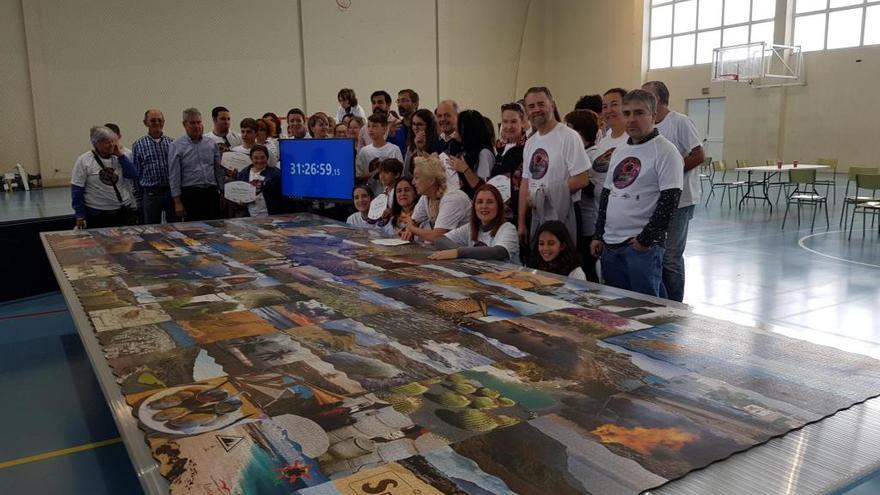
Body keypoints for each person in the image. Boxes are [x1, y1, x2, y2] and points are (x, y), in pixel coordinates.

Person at [590, 89, 684, 298]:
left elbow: (669, 201)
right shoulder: (620, 150)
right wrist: (599, 234)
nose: (631, 119)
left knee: (649, 309)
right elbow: (607, 194)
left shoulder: (666, 152)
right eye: (627, 113)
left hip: (640, 247)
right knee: (616, 304)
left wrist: (645, 240)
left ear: (653, 115)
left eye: (639, 113)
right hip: (611, 243)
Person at [642, 81, 705, 303]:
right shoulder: (649, 126)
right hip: (655, 201)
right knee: (655, 253)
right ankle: (660, 300)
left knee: (671, 257)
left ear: (658, 98)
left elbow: (698, 155)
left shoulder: (679, 122)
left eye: (646, 94)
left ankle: (675, 304)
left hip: (680, 200)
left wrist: (672, 174)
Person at [517, 86, 590, 245]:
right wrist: (521, 223)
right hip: (537, 214)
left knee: (563, 265)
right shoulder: (530, 142)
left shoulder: (569, 137)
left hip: (563, 212)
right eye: (531, 106)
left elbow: (582, 179)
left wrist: (542, 195)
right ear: (527, 112)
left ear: (552, 105)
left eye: (541, 104)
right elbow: (525, 183)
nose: (536, 109)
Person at [429, 184, 519, 262]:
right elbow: (440, 240)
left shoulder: (508, 228)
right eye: (480, 202)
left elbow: (499, 252)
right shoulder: (470, 228)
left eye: (490, 202)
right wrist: (459, 251)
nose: (484, 206)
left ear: (499, 206)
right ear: (474, 206)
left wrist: (458, 253)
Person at [71, 126, 139, 229]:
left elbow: (133, 174)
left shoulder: (120, 157)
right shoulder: (84, 160)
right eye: (107, 142)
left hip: (122, 211)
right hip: (97, 213)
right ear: (96, 144)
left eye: (112, 141)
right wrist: (80, 214)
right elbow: (77, 189)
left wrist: (120, 156)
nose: (111, 145)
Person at [564, 109, 601, 282]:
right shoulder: (579, 154)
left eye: (569, 129)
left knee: (587, 265)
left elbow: (593, 188)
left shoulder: (592, 155)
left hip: (587, 219)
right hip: (577, 214)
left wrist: (577, 179)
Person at [168, 108, 224, 221]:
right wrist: (177, 202)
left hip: (211, 193)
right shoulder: (176, 145)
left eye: (199, 122)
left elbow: (218, 169)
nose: (196, 126)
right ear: (184, 124)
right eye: (192, 123)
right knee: (194, 232)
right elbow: (174, 176)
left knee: (216, 231)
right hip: (190, 195)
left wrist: (222, 192)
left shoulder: (211, 144)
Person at [403, 154, 471, 242]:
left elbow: (437, 237)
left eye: (416, 178)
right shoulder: (426, 197)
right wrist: (409, 229)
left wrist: (411, 228)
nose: (413, 182)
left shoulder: (453, 198)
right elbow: (413, 220)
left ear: (432, 180)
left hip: (468, 252)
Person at [131, 109, 176, 224]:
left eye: (159, 120)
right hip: (150, 194)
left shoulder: (172, 143)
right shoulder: (138, 145)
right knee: (151, 230)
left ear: (164, 122)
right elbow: (136, 173)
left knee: (175, 227)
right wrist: (139, 198)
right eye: (153, 120)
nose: (157, 123)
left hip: (170, 193)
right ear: (145, 123)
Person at [449, 109, 494, 197]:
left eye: (458, 126)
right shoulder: (463, 149)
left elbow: (483, 188)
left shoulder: (484, 153)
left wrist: (465, 169)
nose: (455, 129)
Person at [356, 113, 403, 188]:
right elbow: (359, 177)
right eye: (369, 126)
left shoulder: (394, 149)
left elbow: (400, 175)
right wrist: (376, 172)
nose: (371, 129)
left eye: (374, 126)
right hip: (370, 193)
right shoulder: (364, 151)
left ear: (384, 129)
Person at [235, 145, 283, 217]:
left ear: (267, 158)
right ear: (251, 158)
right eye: (256, 158)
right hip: (249, 216)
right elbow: (239, 196)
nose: (259, 161)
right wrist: (240, 202)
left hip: (271, 216)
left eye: (262, 157)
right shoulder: (243, 173)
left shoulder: (276, 173)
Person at [405, 109, 441, 175]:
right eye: (413, 124)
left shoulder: (437, 144)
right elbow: (407, 171)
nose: (415, 128)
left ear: (428, 126)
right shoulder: (411, 143)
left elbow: (432, 170)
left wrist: (420, 149)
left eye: (420, 124)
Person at [389, 89, 418, 156]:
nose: (400, 104)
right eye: (398, 101)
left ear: (415, 104)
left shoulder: (423, 126)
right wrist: (391, 136)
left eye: (404, 100)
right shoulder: (396, 127)